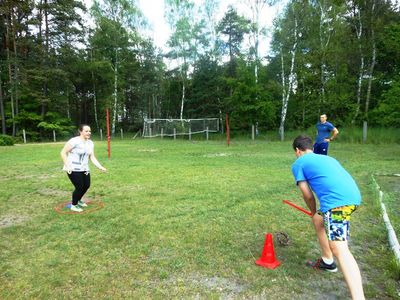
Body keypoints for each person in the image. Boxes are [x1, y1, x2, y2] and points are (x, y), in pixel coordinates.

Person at [291, 135, 364, 300]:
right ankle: (327, 261)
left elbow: (307, 194)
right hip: (353, 196)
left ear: (297, 150)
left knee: (340, 249)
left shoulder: (298, 163)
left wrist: (312, 210)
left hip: (336, 204)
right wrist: (316, 214)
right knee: (318, 219)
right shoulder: (327, 158)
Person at [61, 124, 107, 212]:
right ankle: (74, 205)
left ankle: (78, 200)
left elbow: (92, 157)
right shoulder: (74, 141)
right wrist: (67, 165)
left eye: (89, 131)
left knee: (86, 185)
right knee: (79, 187)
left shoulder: (90, 143)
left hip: (85, 168)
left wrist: (100, 167)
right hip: (73, 168)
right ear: (80, 131)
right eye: (86, 131)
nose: (89, 133)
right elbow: (63, 152)